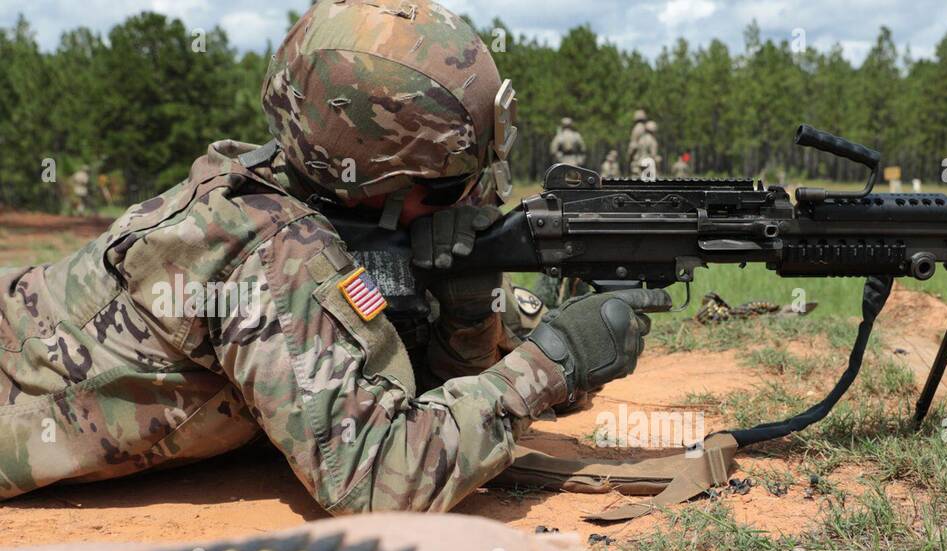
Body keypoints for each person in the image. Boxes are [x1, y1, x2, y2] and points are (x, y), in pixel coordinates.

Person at [0, 0, 664, 513]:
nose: (471, 199)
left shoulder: (319, 205)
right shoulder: (271, 252)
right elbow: (378, 477)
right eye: (446, 187)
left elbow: (414, 387)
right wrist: (553, 362)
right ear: (370, 182)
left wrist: (467, 309)